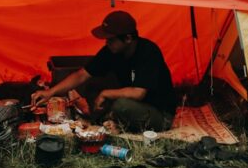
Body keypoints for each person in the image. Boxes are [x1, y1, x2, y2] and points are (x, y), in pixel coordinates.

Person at [30, 11, 175, 132]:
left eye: (111, 40)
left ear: (128, 38)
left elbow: (138, 93)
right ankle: (108, 119)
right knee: (93, 85)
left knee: (121, 105)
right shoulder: (111, 51)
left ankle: (113, 120)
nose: (107, 43)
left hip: (159, 114)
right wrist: (50, 92)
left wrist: (106, 93)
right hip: (132, 105)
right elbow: (82, 75)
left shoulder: (149, 52)